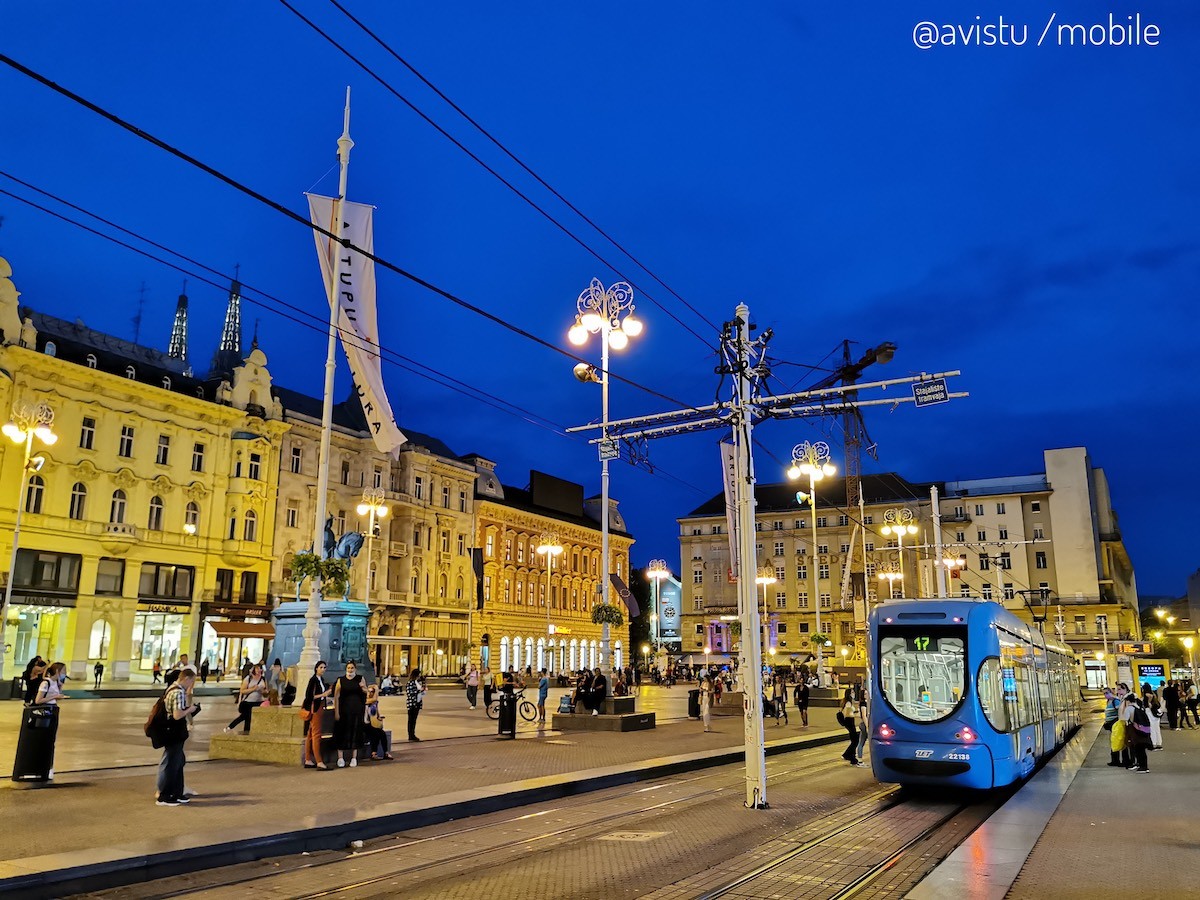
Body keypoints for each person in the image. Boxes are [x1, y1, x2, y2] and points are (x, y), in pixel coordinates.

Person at [156, 666, 200, 806]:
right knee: (172, 763)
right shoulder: (178, 693)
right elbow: (177, 715)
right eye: (191, 681)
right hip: (174, 732)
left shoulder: (171, 689)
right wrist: (191, 709)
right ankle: (165, 795)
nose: (191, 685)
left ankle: (177, 792)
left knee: (178, 762)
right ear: (186, 678)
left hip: (171, 731)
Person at [333, 660, 366, 768]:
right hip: (344, 710)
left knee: (354, 733)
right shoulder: (340, 680)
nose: (350, 670)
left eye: (352, 668)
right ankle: (340, 758)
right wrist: (336, 711)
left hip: (356, 710)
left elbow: (367, 692)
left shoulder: (360, 679)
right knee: (342, 732)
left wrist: (363, 687)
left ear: (355, 669)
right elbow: (336, 696)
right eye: (348, 668)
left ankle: (353, 758)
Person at [302, 660, 333, 769]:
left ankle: (308, 759)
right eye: (321, 667)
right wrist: (323, 694)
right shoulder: (313, 680)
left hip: (319, 706)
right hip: (315, 708)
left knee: (310, 734)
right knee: (316, 734)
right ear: (316, 668)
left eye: (324, 667)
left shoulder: (321, 680)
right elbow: (309, 696)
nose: (323, 669)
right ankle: (319, 761)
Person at [224, 663, 267, 734]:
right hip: (248, 702)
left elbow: (266, 690)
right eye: (257, 669)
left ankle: (244, 731)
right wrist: (253, 689)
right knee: (245, 716)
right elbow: (242, 691)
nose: (259, 670)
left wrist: (263, 691)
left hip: (258, 701)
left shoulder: (263, 679)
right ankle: (233, 728)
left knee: (248, 717)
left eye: (260, 668)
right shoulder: (248, 678)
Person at [363, 684, 393, 760]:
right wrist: (376, 690)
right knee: (375, 733)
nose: (370, 693)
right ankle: (374, 753)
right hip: (364, 723)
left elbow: (376, 712)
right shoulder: (365, 701)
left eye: (372, 692)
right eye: (369, 692)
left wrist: (379, 717)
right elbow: (374, 699)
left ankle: (386, 752)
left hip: (372, 723)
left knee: (382, 733)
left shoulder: (374, 703)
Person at [840, 688, 863, 766]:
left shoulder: (847, 702)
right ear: (849, 694)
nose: (854, 693)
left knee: (854, 739)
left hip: (849, 722)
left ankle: (851, 757)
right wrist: (857, 715)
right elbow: (847, 714)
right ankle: (848, 755)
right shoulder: (848, 703)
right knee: (855, 740)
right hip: (849, 722)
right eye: (852, 692)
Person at [405, 668, 425, 741]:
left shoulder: (417, 682)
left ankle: (412, 734)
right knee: (411, 720)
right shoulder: (411, 682)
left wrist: (422, 689)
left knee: (414, 720)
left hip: (417, 703)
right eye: (419, 675)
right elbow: (410, 693)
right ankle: (411, 734)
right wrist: (419, 691)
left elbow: (421, 690)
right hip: (412, 703)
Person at [855, 685, 869, 763]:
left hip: (866, 724)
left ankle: (859, 758)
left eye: (867, 694)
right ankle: (859, 759)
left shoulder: (868, 703)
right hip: (865, 725)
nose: (867, 695)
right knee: (862, 742)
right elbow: (864, 716)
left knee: (862, 741)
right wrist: (867, 727)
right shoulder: (863, 704)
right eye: (865, 694)